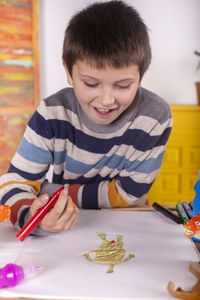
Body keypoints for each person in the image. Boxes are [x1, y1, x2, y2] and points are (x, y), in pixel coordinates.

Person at [0, 0, 172, 236]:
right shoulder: (52, 114)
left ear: (140, 77)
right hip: (65, 232)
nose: (106, 100)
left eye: (122, 85)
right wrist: (33, 215)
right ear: (68, 72)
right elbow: (14, 182)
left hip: (126, 228)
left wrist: (49, 192)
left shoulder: (155, 117)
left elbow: (128, 194)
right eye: (91, 83)